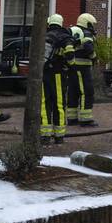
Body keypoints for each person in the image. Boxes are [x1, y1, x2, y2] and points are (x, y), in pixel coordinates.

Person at [43, 13, 74, 144]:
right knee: (59, 104)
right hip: (58, 74)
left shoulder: (43, 36)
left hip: (43, 73)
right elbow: (70, 54)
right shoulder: (65, 37)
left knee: (44, 103)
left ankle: (44, 135)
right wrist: (70, 65)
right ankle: (59, 135)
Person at [66, 13, 98, 127]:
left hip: (72, 66)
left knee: (73, 92)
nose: (93, 27)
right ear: (87, 23)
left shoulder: (75, 31)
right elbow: (89, 48)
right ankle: (86, 119)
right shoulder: (86, 33)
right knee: (87, 91)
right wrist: (94, 57)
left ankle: (72, 118)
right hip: (83, 67)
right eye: (92, 24)